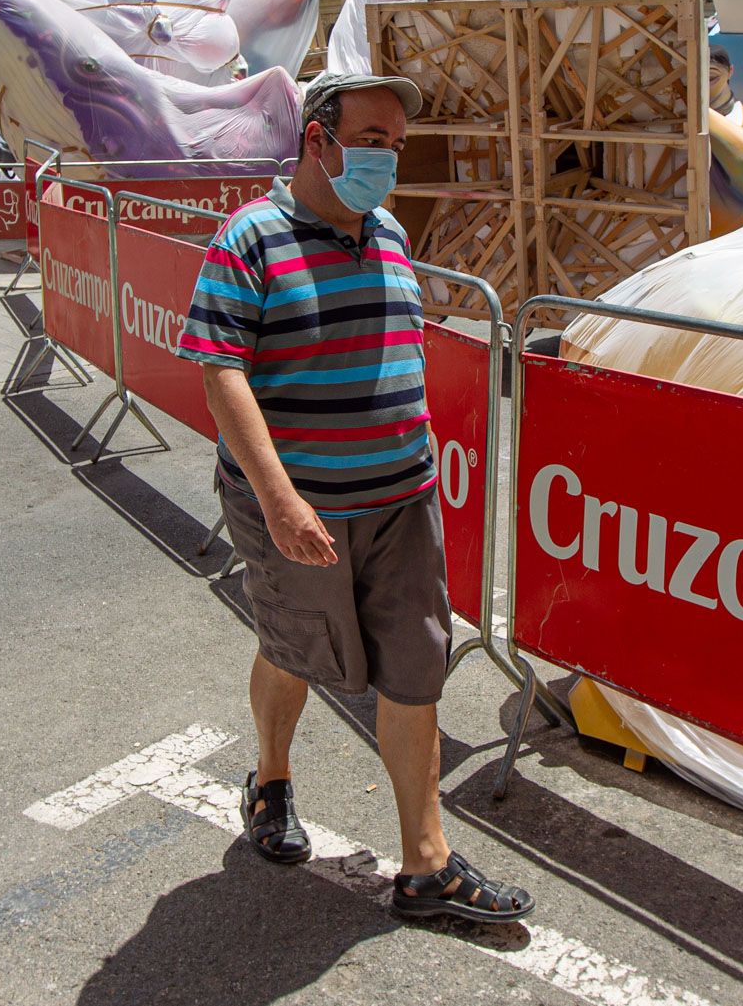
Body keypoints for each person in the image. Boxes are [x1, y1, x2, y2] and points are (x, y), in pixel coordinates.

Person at [173, 72, 536, 924]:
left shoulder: (390, 236)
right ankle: (270, 778)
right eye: (372, 137)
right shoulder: (250, 239)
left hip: (402, 501)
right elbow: (220, 371)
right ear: (319, 139)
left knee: (415, 668)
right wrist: (280, 501)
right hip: (298, 509)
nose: (386, 157)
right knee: (297, 651)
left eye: (396, 144)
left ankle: (426, 864)